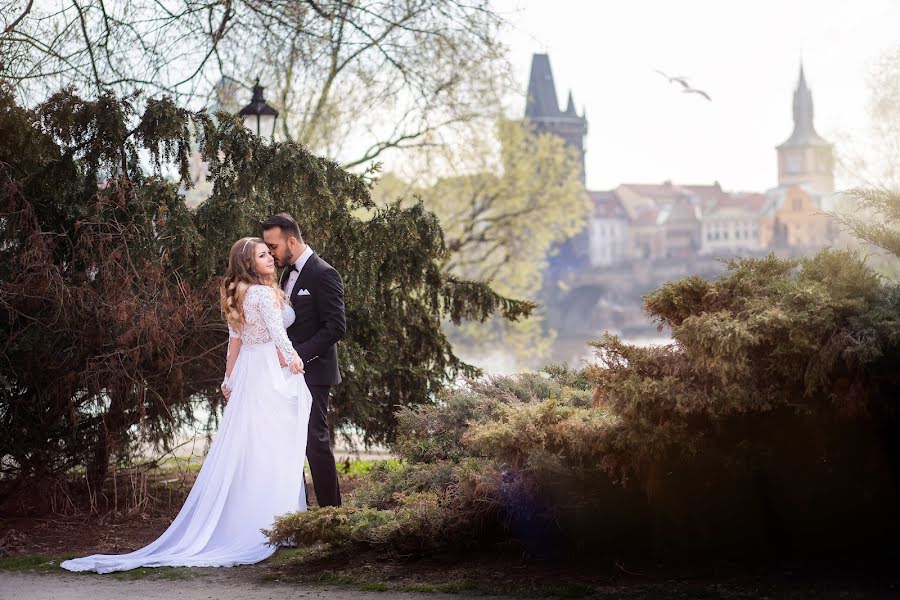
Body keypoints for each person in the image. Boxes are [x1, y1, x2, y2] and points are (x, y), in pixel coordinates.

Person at [61, 238, 311, 573]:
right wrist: (293, 358)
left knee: (251, 446)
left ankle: (267, 519)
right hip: (267, 371)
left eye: (269, 253)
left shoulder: (238, 294)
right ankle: (276, 523)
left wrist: (228, 378)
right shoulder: (264, 294)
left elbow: (233, 342)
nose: (270, 258)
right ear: (249, 264)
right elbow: (278, 335)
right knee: (273, 446)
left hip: (251, 372)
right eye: (263, 256)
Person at [261, 212, 346, 507]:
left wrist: (299, 354)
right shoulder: (286, 274)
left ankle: (332, 514)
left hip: (315, 371)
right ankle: (296, 511)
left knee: (315, 442)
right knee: (289, 443)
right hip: (288, 372)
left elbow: (336, 327)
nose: (271, 253)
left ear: (292, 241)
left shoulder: (324, 273)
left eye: (273, 246)